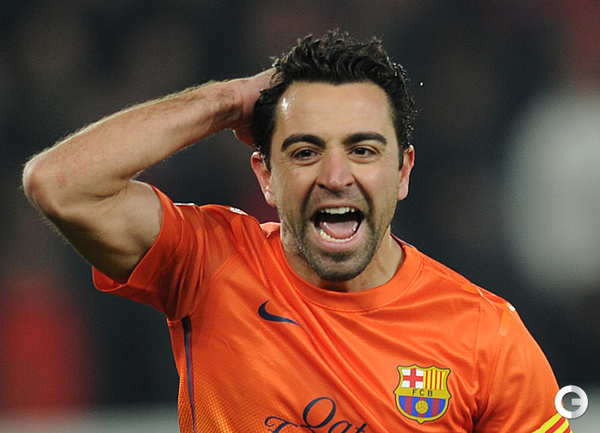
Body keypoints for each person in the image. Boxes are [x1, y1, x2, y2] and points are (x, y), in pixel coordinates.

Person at [23, 30, 569, 432]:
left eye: (362, 150)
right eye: (305, 152)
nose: (335, 176)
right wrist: (226, 101)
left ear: (403, 172)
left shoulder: (487, 336)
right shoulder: (209, 262)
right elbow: (60, 183)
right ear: (266, 176)